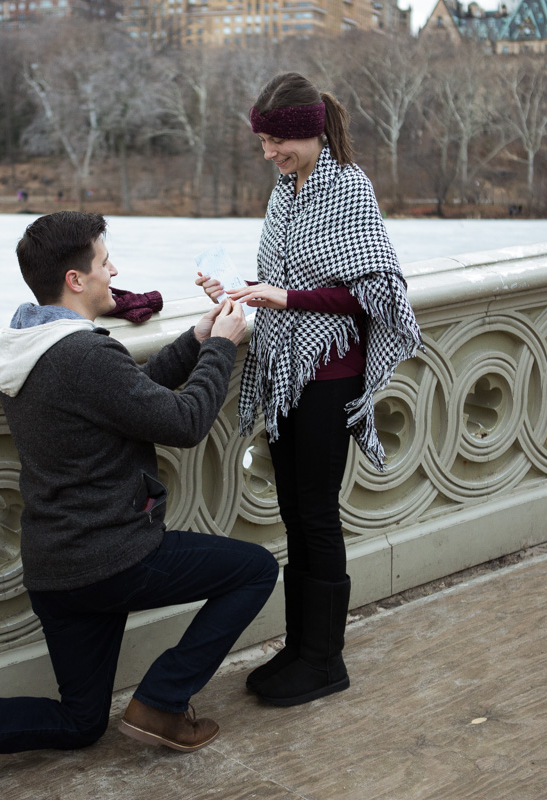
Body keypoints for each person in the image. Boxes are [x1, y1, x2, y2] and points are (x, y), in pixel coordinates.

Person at [0, 211, 278, 800]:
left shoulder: (32, 344)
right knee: (255, 570)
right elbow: (184, 421)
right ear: (75, 279)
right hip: (116, 557)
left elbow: (128, 395)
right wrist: (223, 348)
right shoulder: (84, 356)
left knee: (81, 721)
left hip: (56, 567)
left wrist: (196, 339)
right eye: (103, 261)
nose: (113, 270)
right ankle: (163, 702)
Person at [196, 72, 423, 708]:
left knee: (317, 515)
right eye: (263, 143)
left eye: (277, 143)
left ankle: (325, 660)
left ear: (309, 131)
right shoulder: (286, 191)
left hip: (329, 379)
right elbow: (282, 276)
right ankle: (301, 646)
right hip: (286, 375)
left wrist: (285, 296)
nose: (268, 154)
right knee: (295, 512)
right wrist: (237, 290)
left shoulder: (349, 188)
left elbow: (374, 289)